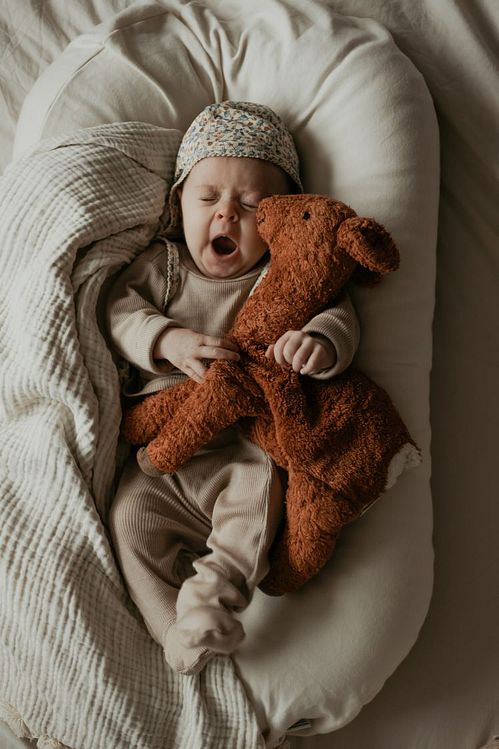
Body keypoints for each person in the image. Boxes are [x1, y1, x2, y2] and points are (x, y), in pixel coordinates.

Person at [105, 101, 360, 674]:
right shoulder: (164, 266)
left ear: (276, 218)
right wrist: (165, 339)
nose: (226, 215)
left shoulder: (282, 277)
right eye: (208, 198)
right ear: (179, 204)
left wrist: (319, 343)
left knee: (252, 512)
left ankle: (211, 601)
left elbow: (339, 314)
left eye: (249, 205)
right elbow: (118, 310)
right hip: (164, 456)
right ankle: (175, 631)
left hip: (244, 446)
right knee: (129, 521)